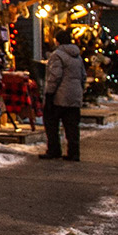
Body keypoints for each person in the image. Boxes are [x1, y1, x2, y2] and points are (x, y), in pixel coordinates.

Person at [41, 29, 87, 161]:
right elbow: (83, 76)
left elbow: (55, 76)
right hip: (74, 96)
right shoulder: (78, 56)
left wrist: (49, 94)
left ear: (58, 41)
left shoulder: (57, 55)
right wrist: (79, 90)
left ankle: (54, 149)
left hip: (59, 96)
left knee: (51, 121)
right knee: (72, 125)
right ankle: (74, 152)